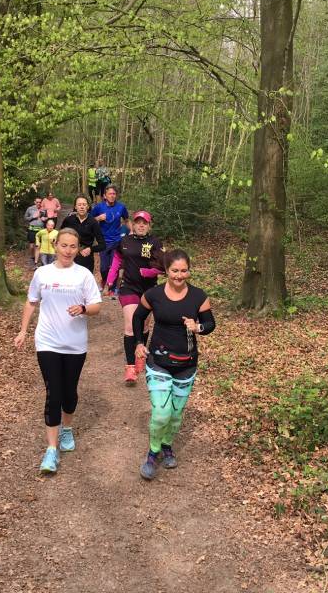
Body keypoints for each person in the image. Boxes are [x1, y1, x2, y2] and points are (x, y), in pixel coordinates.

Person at [14, 228, 103, 474]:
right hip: (47, 341)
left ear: (78, 248)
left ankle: (67, 429)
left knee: (69, 392)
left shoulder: (83, 275)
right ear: (55, 245)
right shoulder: (42, 273)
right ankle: (51, 450)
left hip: (75, 343)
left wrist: (83, 309)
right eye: (64, 245)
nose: (68, 250)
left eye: (73, 246)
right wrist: (23, 330)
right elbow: (31, 301)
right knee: (53, 393)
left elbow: (96, 306)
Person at [131, 249, 214, 480]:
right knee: (161, 413)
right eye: (175, 270)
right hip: (158, 361)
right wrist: (138, 343)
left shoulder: (198, 296)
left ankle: (167, 445)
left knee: (176, 415)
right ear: (166, 271)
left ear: (189, 271)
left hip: (187, 364)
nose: (179, 275)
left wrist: (198, 327)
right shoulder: (153, 294)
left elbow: (210, 324)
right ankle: (152, 453)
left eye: (184, 270)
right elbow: (138, 317)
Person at [104, 210, 164, 385]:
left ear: (149, 225)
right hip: (128, 287)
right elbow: (116, 260)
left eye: (144, 223)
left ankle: (140, 355)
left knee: (144, 325)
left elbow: (163, 267)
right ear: (133, 224)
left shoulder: (155, 242)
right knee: (130, 326)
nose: (141, 225)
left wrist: (148, 272)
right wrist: (110, 280)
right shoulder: (125, 241)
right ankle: (130, 367)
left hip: (149, 289)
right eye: (138, 222)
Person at [92, 185, 129, 288]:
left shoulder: (121, 207)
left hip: (117, 241)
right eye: (110, 194)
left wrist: (131, 232)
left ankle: (111, 287)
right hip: (103, 242)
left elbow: (126, 220)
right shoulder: (99, 207)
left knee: (114, 266)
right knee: (103, 268)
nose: (112, 196)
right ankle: (104, 282)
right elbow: (89, 220)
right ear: (105, 196)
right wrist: (98, 218)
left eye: (114, 194)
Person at [60, 196, 105, 276]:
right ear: (75, 207)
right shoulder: (68, 220)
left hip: (85, 258)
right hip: (69, 256)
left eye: (84, 204)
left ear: (88, 207)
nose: (82, 207)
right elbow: (60, 237)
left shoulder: (93, 222)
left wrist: (90, 249)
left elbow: (102, 245)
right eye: (79, 204)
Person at [23, 196, 45, 267]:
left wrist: (45, 219)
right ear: (34, 202)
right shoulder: (30, 209)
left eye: (40, 202)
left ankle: (36, 261)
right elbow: (25, 218)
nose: (39, 203)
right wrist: (33, 217)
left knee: (37, 246)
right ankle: (32, 257)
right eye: (37, 202)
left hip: (40, 230)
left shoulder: (43, 209)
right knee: (32, 246)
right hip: (32, 229)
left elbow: (47, 218)